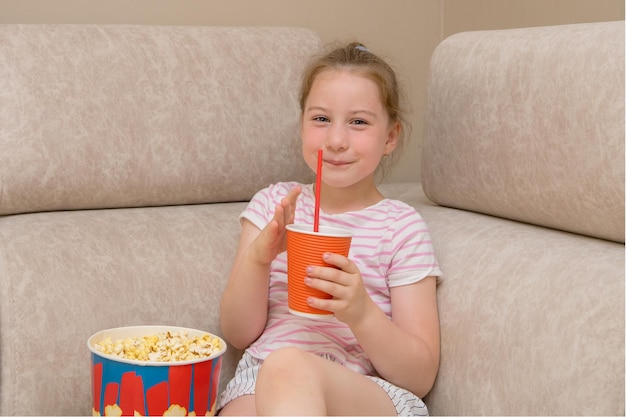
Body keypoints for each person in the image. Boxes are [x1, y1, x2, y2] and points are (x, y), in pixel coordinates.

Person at [218, 42, 442, 416]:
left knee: (289, 366)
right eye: (321, 119)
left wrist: (361, 313)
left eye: (358, 122)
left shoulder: (400, 227)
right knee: (263, 386)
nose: (336, 140)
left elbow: (419, 376)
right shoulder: (274, 207)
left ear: (389, 137)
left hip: (364, 391)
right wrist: (259, 259)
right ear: (302, 124)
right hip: (259, 379)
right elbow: (238, 333)